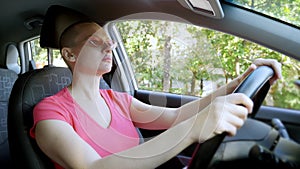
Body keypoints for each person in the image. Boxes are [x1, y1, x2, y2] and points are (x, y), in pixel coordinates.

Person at [30, 5, 282, 169]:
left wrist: (237, 83)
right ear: (70, 55)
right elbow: (93, 166)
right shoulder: (50, 112)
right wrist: (194, 129)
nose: (110, 48)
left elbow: (175, 116)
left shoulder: (117, 99)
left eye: (111, 43)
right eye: (96, 43)